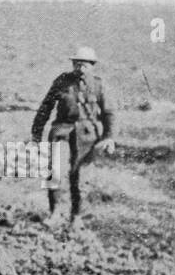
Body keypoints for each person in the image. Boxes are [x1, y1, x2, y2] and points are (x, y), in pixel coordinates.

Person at [31, 46, 116, 226]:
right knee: (54, 172)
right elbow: (46, 107)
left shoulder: (99, 85)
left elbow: (109, 113)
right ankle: (55, 213)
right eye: (77, 64)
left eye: (84, 65)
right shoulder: (62, 81)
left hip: (86, 135)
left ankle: (76, 216)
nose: (80, 68)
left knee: (80, 176)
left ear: (92, 66)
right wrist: (36, 134)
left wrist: (109, 137)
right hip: (62, 130)